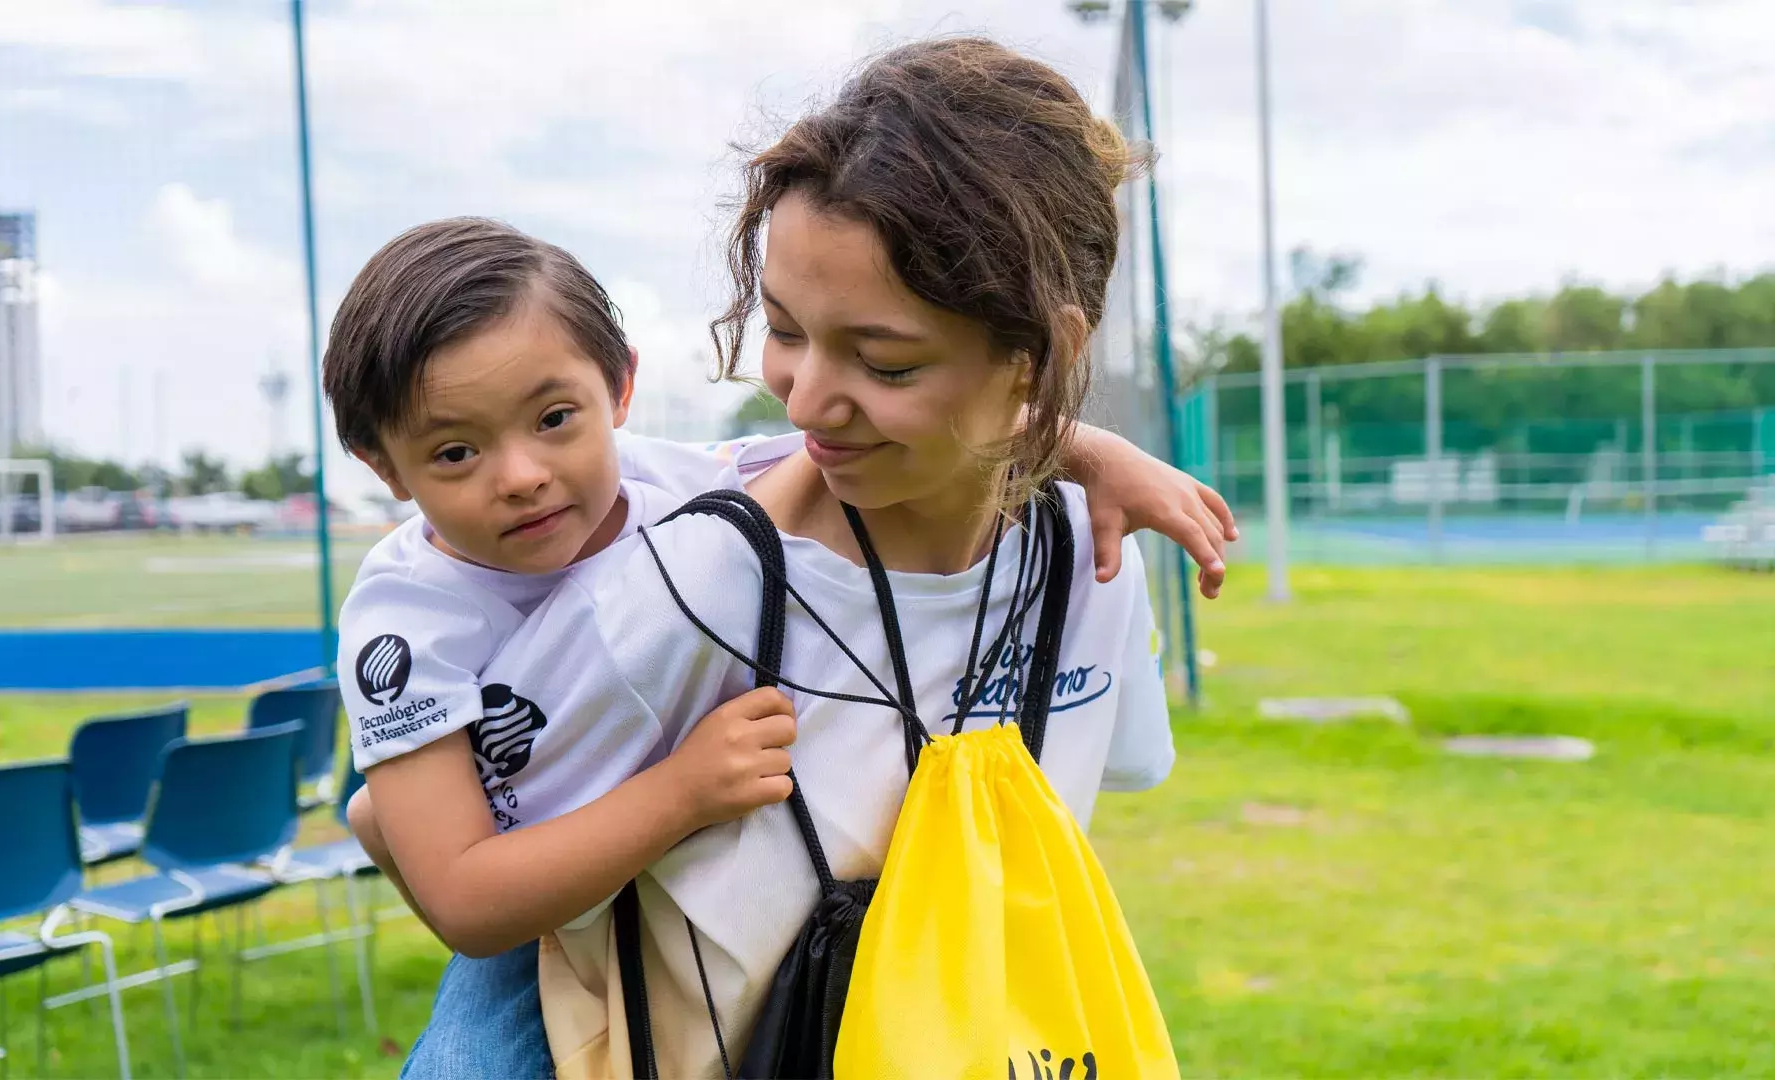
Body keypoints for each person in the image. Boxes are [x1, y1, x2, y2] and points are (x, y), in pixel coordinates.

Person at [322, 217, 1232, 1076]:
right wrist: (679, 795)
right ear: (382, 466)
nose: (520, 475)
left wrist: (1093, 449)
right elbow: (471, 905)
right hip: (527, 891)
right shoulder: (408, 622)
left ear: (620, 387)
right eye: (454, 454)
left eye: (555, 419)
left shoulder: (683, 489)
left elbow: (872, 441)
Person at [469, 35, 1185, 1076]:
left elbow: (1111, 778)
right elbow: (476, 868)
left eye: (884, 361)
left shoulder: (1092, 554)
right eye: (786, 331)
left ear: (1050, 350)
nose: (806, 398)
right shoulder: (697, 586)